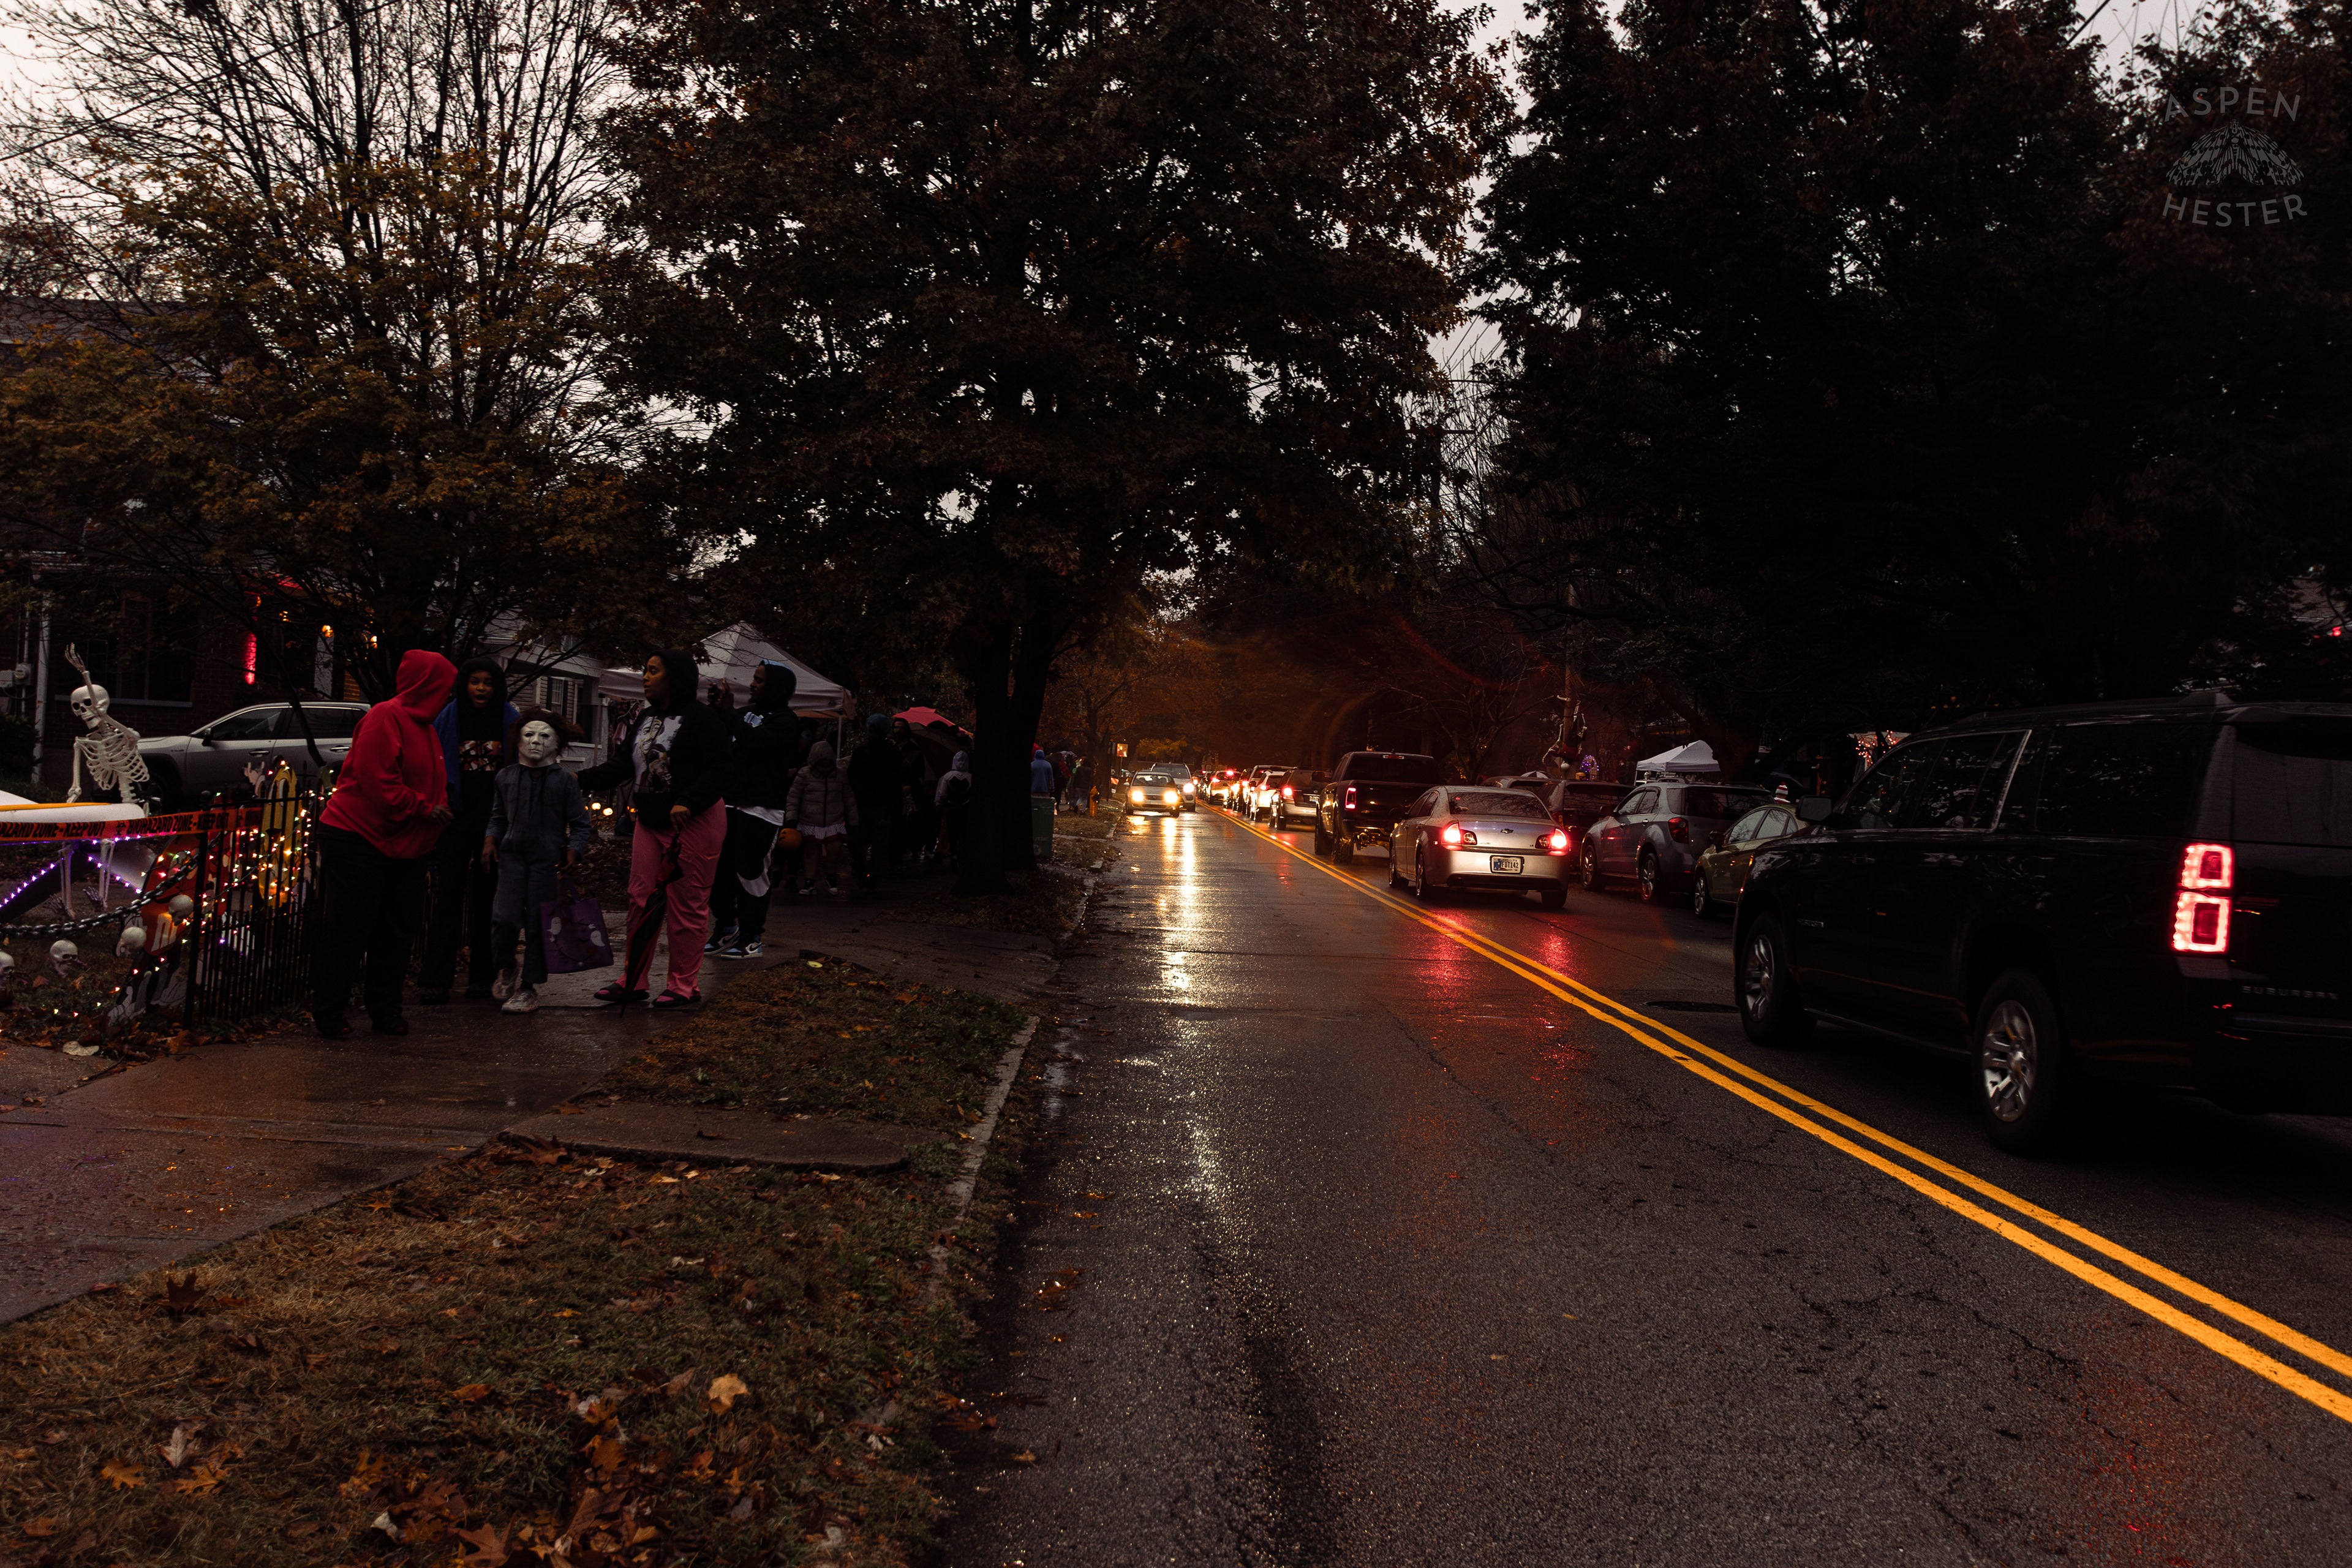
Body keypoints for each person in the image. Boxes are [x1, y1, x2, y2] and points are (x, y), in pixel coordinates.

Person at [577, 647, 733, 1007]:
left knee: (687, 905)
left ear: (674, 676)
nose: (645, 677)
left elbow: (721, 769)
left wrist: (688, 800)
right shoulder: (645, 717)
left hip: (693, 823)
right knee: (639, 899)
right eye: (644, 670)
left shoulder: (703, 719)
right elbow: (622, 766)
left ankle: (683, 985)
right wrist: (576, 778)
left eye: (652, 671)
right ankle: (634, 979)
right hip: (649, 821)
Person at [312, 649, 455, 1038]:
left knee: (396, 931)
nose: (449, 697)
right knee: (349, 928)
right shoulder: (384, 718)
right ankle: (330, 1010)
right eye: (444, 688)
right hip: (357, 836)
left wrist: (433, 809)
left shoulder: (425, 727)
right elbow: (380, 785)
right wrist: (425, 809)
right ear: (427, 686)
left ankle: (385, 1009)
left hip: (404, 844)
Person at [418, 656, 518, 1003]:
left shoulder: (509, 719)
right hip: (455, 819)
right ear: (464, 684)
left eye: (488, 682)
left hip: (495, 821)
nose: (481, 688)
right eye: (475, 681)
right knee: (448, 897)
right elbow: (434, 762)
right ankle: (436, 979)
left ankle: (482, 977)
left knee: (489, 899)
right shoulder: (448, 717)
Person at [480, 707, 592, 1014]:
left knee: (537, 926)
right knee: (504, 919)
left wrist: (575, 849)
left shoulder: (565, 781)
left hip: (546, 863)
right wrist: (491, 841)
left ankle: (529, 987)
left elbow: (581, 822)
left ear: (557, 743)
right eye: (529, 735)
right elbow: (498, 816)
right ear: (517, 740)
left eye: (545, 736)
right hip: (512, 859)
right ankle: (506, 966)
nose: (536, 742)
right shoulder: (506, 777)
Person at [707, 660, 799, 959]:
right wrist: (718, 710)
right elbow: (720, 744)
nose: (752, 684)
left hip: (762, 806)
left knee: (750, 870)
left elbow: (758, 742)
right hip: (729, 801)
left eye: (759, 680)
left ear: (775, 687)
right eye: (754, 679)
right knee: (719, 871)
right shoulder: (744, 714)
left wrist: (731, 714)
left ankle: (751, 936)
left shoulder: (786, 720)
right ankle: (726, 926)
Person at [786, 739, 857, 899]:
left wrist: (853, 818)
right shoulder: (804, 774)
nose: (825, 769)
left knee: (834, 850)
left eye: (828, 765)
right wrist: (791, 816)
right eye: (821, 766)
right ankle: (810, 882)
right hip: (810, 820)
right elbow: (794, 797)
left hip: (834, 820)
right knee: (811, 853)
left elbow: (849, 797)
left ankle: (831, 878)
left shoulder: (841, 775)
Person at [846, 714, 902, 886]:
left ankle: (864, 871)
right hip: (880, 804)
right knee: (879, 842)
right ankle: (872, 873)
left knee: (860, 841)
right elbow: (896, 780)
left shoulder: (861, 752)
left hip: (865, 803)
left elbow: (852, 777)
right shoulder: (892, 754)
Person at [935, 748, 973, 869]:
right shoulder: (971, 778)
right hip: (965, 808)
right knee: (963, 832)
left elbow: (942, 794)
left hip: (951, 807)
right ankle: (960, 853)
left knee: (951, 831)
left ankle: (951, 852)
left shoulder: (947, 777)